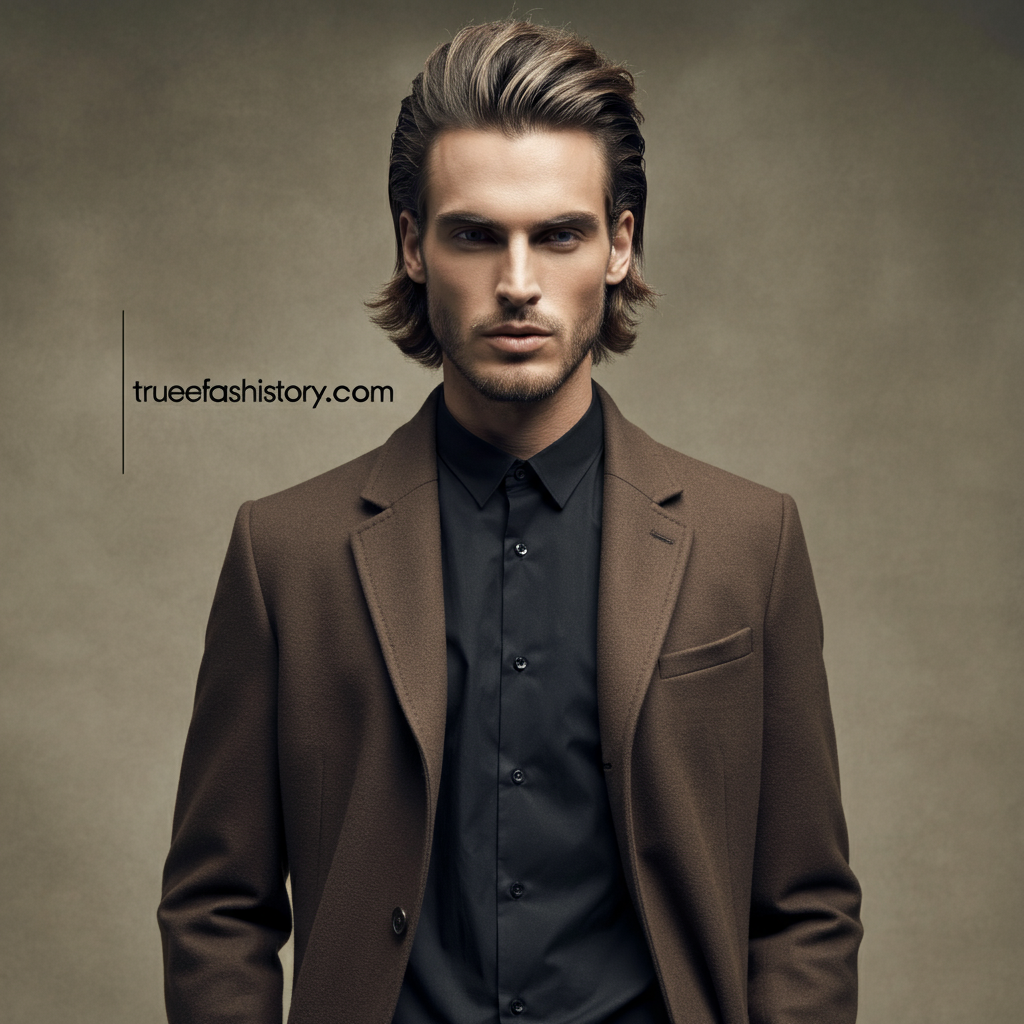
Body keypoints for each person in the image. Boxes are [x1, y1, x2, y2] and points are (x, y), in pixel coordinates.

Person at [158, 19, 862, 1024]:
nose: (518, 282)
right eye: (476, 234)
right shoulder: (286, 556)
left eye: (559, 234)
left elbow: (804, 909)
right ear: (413, 245)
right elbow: (215, 909)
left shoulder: (751, 545)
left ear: (620, 244)